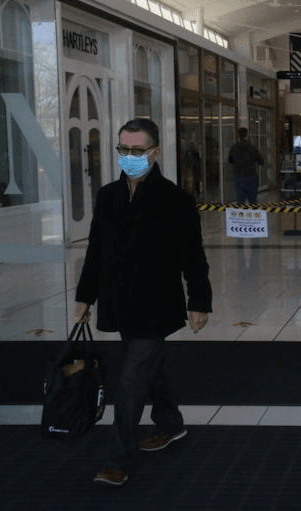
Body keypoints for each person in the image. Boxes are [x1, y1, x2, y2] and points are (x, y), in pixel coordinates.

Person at [75, 118, 212, 487]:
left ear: (155, 152)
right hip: (119, 303)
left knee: (132, 380)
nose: (130, 157)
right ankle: (170, 424)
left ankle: (118, 458)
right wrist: (84, 296)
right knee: (150, 368)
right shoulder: (108, 196)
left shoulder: (175, 200)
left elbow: (192, 256)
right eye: (124, 150)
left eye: (137, 151)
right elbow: (96, 251)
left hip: (156, 303)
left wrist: (199, 300)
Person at [227, 127, 264, 204]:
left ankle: (241, 215)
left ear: (238, 135)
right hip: (251, 176)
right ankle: (252, 215)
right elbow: (261, 161)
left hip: (239, 176)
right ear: (247, 135)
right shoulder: (252, 147)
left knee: (240, 201)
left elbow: (230, 160)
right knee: (253, 201)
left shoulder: (234, 147)